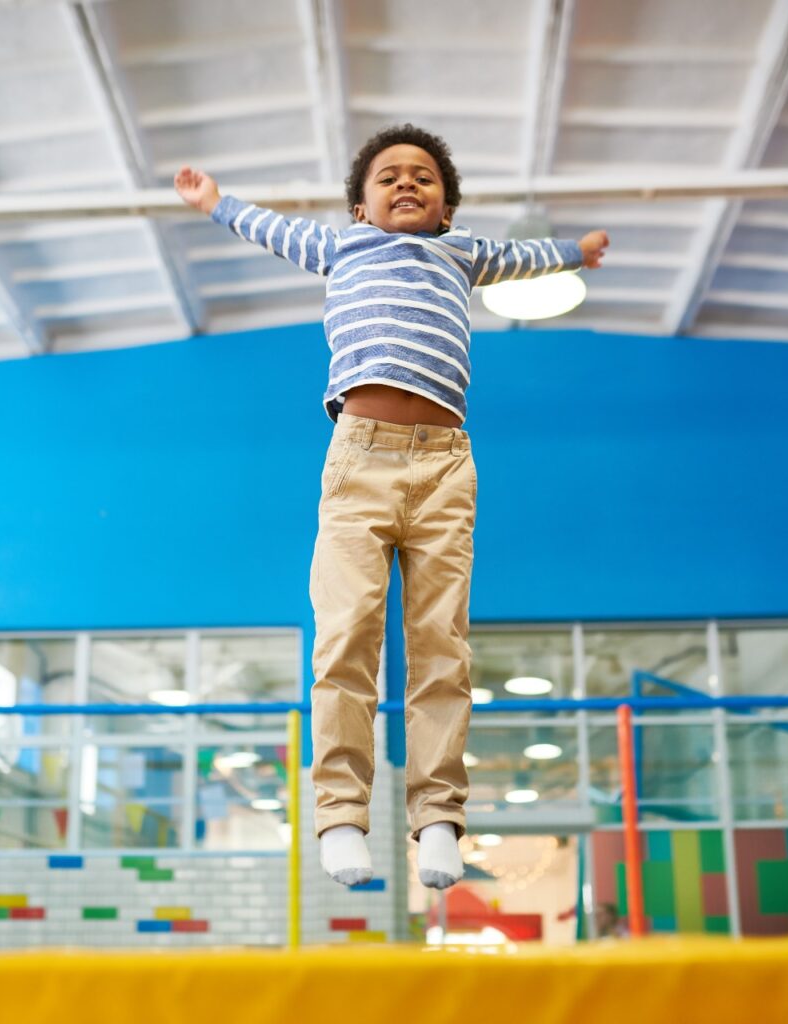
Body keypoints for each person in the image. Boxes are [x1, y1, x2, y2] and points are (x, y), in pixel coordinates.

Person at [174, 124, 608, 890]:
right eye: (388, 177)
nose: (407, 183)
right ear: (360, 209)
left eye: (424, 177)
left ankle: (438, 818)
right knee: (346, 637)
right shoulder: (342, 249)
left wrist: (576, 250)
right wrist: (215, 202)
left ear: (446, 209)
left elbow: (525, 258)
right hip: (360, 458)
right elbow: (269, 229)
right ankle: (342, 814)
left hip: (446, 466)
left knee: (442, 645)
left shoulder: (463, 252)